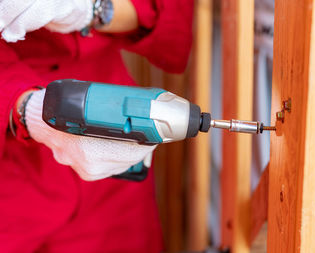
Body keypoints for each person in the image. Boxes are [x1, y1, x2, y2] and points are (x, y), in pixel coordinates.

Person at [0, 0, 193, 251]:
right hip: (12, 184)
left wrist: (94, 10)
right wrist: (26, 108)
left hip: (111, 149)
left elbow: (172, 20)